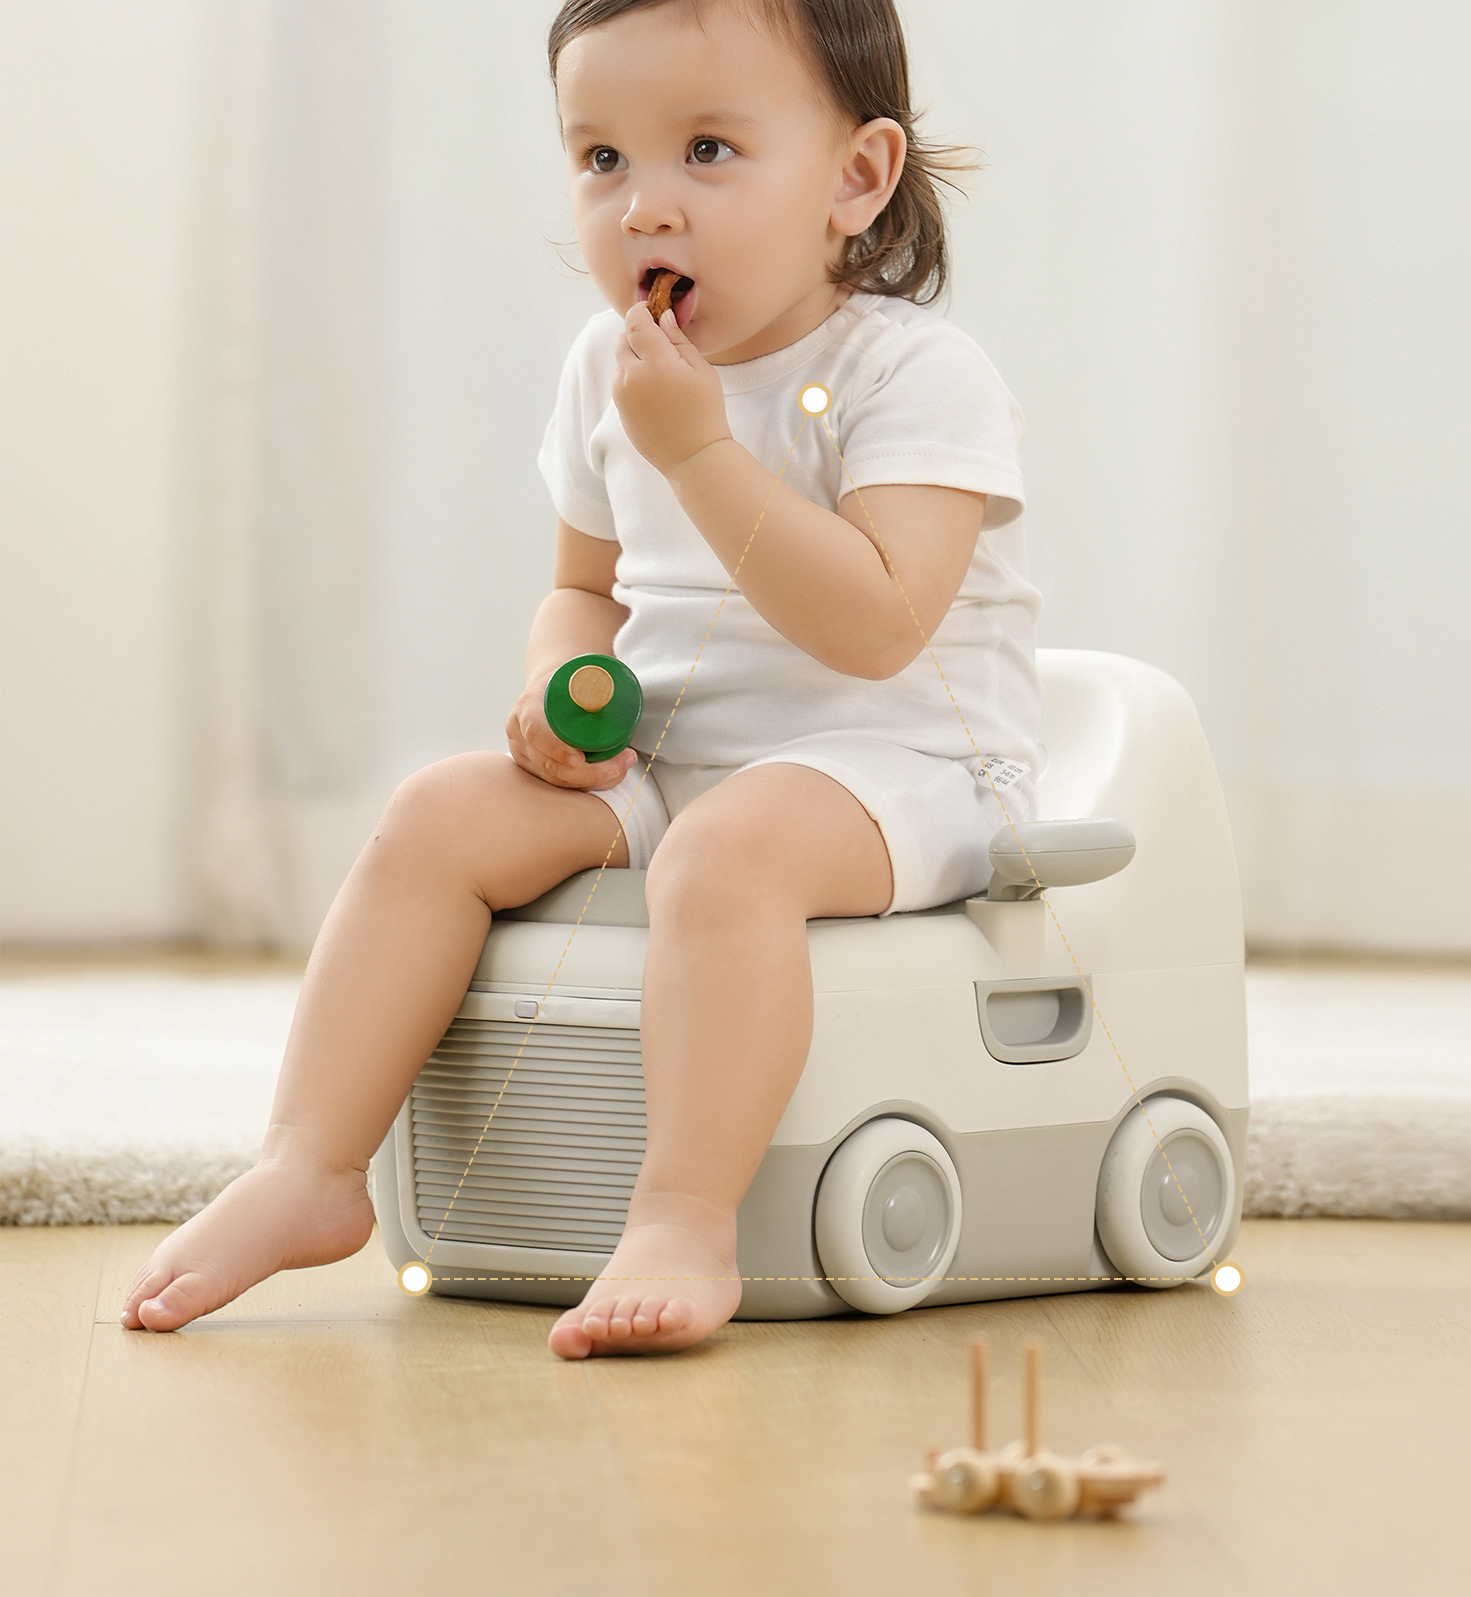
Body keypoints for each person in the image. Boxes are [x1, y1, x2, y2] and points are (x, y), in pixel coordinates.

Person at [121, 0, 1042, 1358]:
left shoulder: (914, 373)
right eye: (602, 158)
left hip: (908, 771)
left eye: (708, 150)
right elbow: (585, 591)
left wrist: (700, 454)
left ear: (857, 178)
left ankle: (681, 1215)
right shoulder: (607, 370)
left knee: (729, 854)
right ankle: (309, 1166)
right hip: (673, 760)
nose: (644, 206)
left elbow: (878, 623)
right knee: (439, 814)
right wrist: (562, 687)